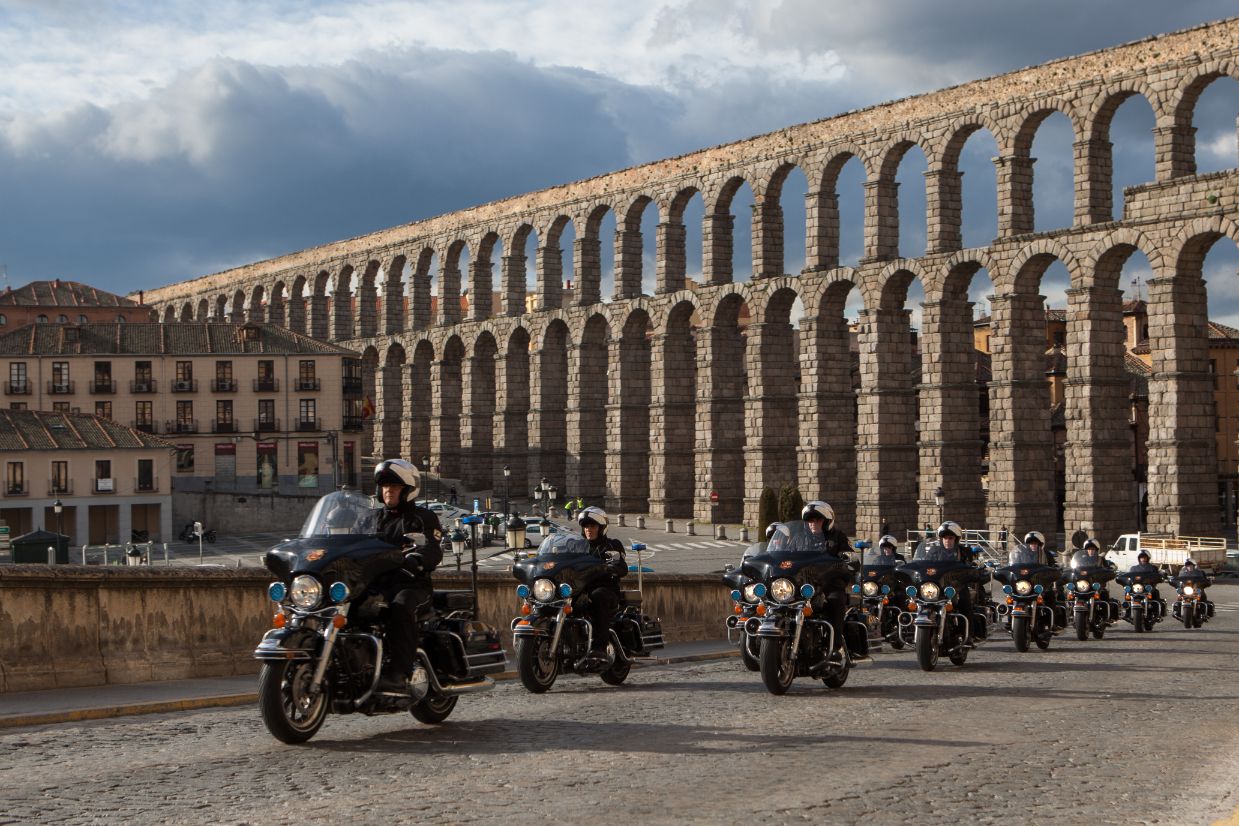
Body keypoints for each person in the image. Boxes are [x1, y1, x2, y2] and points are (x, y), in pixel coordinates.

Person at [372, 458, 444, 693]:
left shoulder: (422, 518)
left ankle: (398, 673)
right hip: (376, 583)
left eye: (394, 486)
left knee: (400, 606)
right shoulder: (371, 519)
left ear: (408, 490)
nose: (388, 491)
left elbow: (433, 548)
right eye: (384, 486)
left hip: (412, 584)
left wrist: (418, 558)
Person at [577, 506, 628, 664]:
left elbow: (622, 567)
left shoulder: (612, 545)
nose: (588, 530)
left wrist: (612, 567)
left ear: (601, 528)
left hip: (607, 589)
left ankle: (599, 647)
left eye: (592, 526)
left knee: (598, 596)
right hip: (581, 589)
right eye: (586, 526)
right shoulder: (577, 547)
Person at [801, 501, 852, 653]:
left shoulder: (838, 537)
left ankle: (835, 648)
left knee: (835, 601)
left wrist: (849, 558)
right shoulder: (799, 539)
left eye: (818, 520)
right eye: (810, 520)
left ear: (827, 522)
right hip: (804, 586)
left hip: (830, 584)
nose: (813, 524)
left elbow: (850, 557)